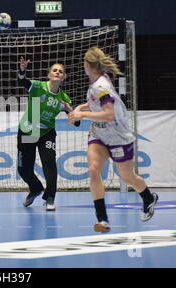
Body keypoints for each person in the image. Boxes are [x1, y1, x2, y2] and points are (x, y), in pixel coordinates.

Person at [68, 47, 159, 233]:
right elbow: (97, 102)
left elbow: (109, 114)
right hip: (99, 134)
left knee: (127, 177)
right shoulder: (98, 82)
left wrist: (81, 115)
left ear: (87, 65)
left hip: (118, 136)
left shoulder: (100, 86)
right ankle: (103, 219)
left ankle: (148, 198)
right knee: (94, 171)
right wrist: (80, 107)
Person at [17, 57, 80, 211]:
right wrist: (22, 70)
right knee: (23, 169)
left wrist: (69, 110)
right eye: (55, 70)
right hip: (29, 130)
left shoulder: (63, 98)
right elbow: (22, 81)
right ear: (49, 75)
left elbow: (76, 122)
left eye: (61, 71)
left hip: (46, 132)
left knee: (49, 162)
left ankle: (50, 197)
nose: (58, 72)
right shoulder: (38, 87)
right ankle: (35, 188)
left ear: (63, 77)